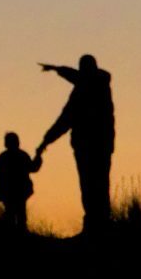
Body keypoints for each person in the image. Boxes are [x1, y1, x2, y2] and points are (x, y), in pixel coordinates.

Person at [36, 54, 115, 233]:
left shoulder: (85, 90)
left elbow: (66, 119)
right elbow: (75, 76)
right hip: (102, 145)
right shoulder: (101, 84)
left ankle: (95, 225)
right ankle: (101, 223)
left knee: (89, 184)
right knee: (100, 183)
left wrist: (46, 141)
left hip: (86, 145)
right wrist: (57, 69)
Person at [0, 132, 42, 230]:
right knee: (19, 217)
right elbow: (33, 168)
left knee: (12, 217)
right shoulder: (21, 155)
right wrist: (38, 156)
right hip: (18, 192)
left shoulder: (3, 158)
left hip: (11, 193)